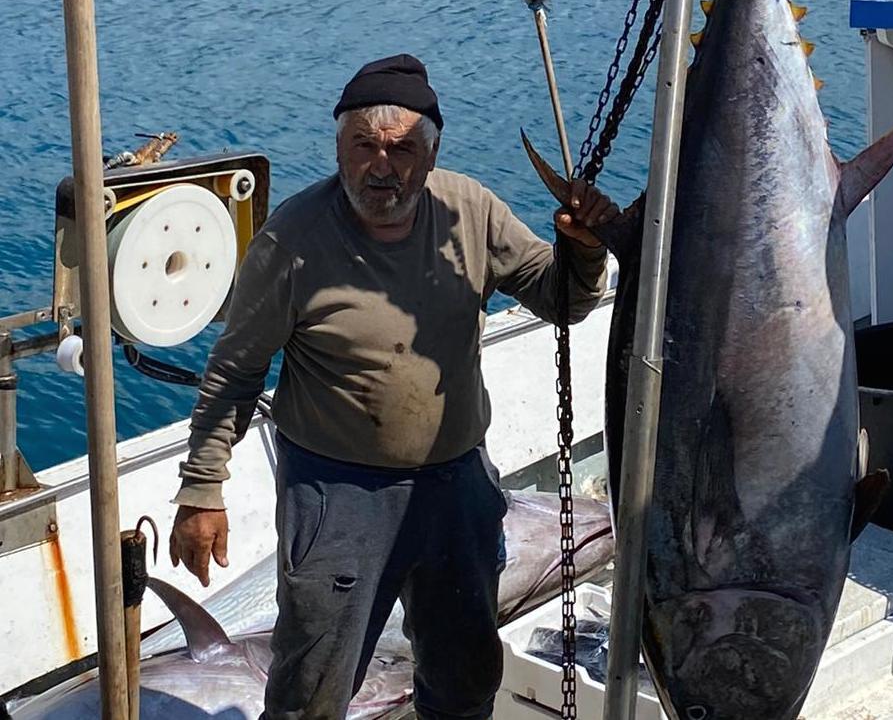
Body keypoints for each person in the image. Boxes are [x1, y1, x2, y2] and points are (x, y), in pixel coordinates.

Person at [167, 54, 617, 719]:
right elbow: (234, 371)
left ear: (430, 156)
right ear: (339, 149)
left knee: (464, 677)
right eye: (365, 146)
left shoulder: (471, 210)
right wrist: (202, 489)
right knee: (312, 688)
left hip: (456, 483)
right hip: (335, 492)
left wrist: (582, 248)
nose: (384, 166)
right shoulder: (290, 240)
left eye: (403, 149)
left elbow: (562, 299)